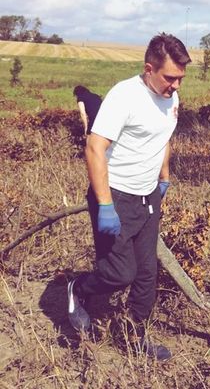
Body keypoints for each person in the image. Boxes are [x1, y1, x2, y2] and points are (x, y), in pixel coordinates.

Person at [67, 33, 191, 361]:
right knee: (120, 273)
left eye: (180, 78)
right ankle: (77, 289)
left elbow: (163, 138)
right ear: (148, 68)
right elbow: (95, 147)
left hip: (148, 197)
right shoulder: (125, 96)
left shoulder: (171, 97)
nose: (176, 85)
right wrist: (105, 204)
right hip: (116, 196)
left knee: (147, 275)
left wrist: (163, 178)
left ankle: (134, 336)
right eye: (170, 77)